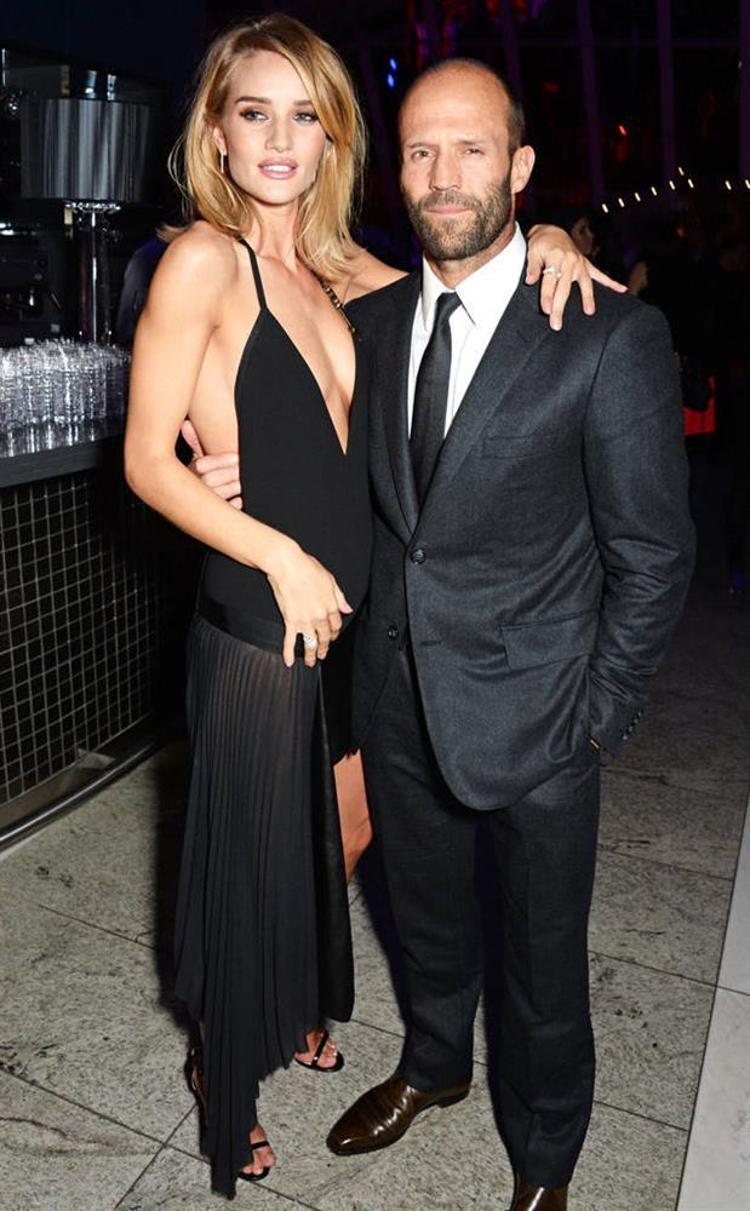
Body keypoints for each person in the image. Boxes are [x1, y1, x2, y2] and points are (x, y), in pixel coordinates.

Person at [130, 15, 624, 1202]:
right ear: (215, 131)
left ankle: (289, 995)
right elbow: (147, 460)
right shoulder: (204, 260)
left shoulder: (344, 273)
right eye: (254, 113)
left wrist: (552, 234)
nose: (279, 139)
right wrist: (273, 549)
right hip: (267, 613)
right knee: (250, 866)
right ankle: (223, 1067)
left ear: (335, 137)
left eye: (305, 114)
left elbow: (480, 287)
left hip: (364, 628)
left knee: (338, 838)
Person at [317, 60, 693, 1211]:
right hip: (399, 700)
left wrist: (597, 718)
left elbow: (653, 553)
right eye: (421, 150)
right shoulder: (370, 322)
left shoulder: (605, 335)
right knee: (425, 922)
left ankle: (545, 1156)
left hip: (543, 719)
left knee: (542, 969)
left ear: (521, 166)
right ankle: (434, 1063)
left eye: (471, 148)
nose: (444, 175)